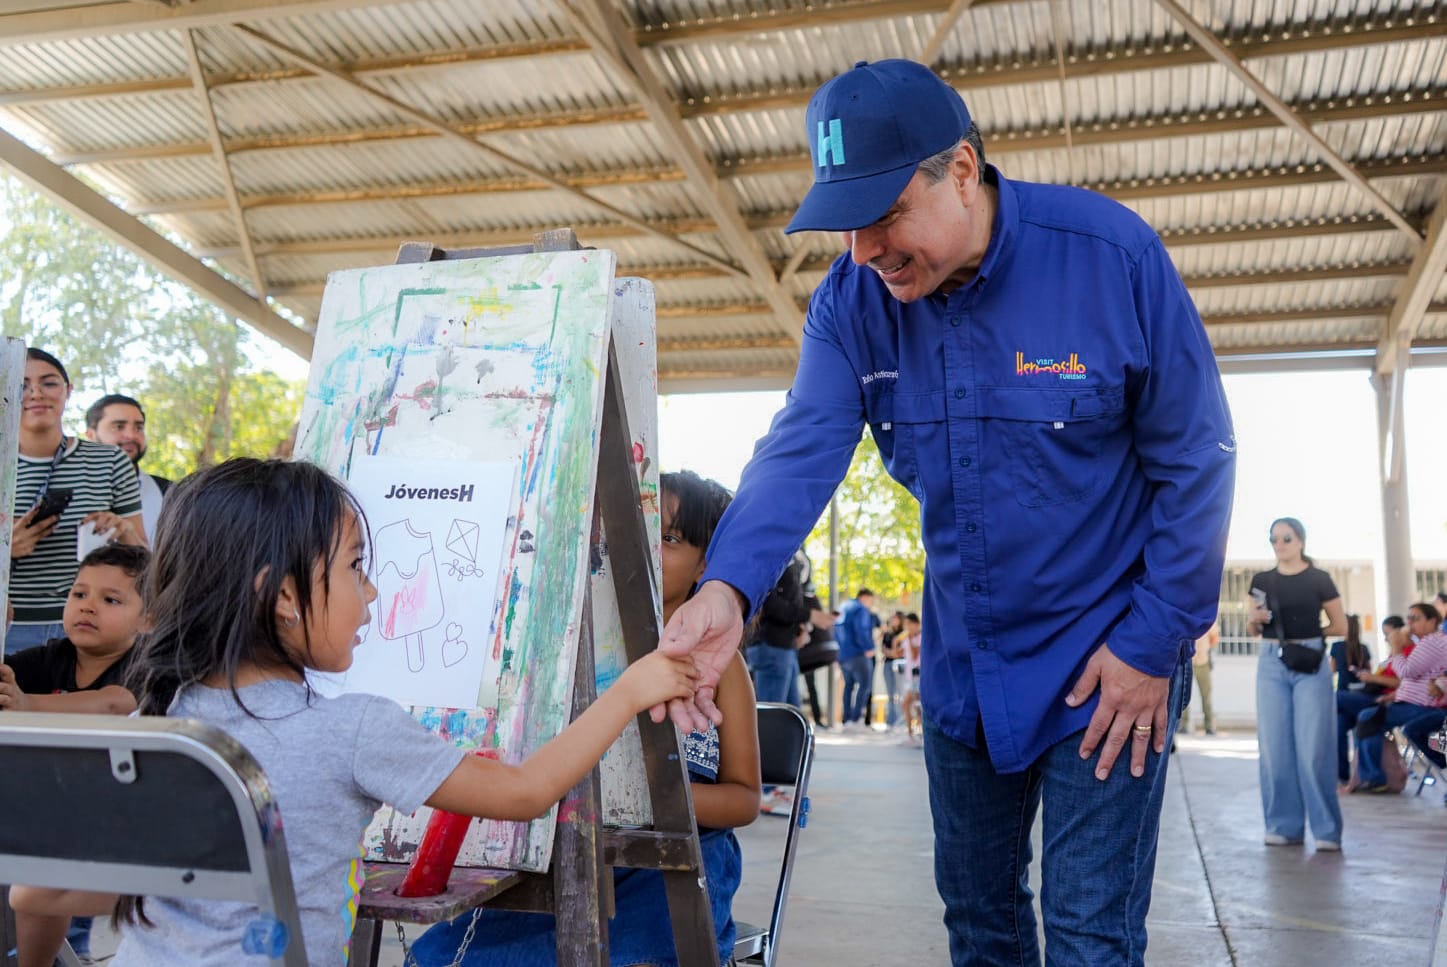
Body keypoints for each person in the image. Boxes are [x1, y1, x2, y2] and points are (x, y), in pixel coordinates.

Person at [656, 59, 1235, 966]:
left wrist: (1153, 642)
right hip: (966, 668)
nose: (865, 250)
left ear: (962, 170)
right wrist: (724, 590)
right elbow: (801, 447)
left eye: (885, 215)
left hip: (1107, 665)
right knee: (979, 922)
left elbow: (1196, 459)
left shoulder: (1110, 259)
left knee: (1087, 937)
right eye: (847, 223)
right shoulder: (851, 303)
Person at [7, 458, 700, 967]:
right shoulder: (351, 730)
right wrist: (628, 690)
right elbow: (524, 792)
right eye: (355, 566)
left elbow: (36, 894)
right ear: (283, 596)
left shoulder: (157, 725)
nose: (371, 593)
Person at [411, 469, 760, 966]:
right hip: (573, 856)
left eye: (670, 539)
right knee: (449, 954)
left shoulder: (723, 668)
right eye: (639, 529)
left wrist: (650, 798)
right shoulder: (573, 645)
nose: (648, 548)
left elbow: (745, 799)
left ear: (707, 564)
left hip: (674, 869)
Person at [6, 349, 147, 658]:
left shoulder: (111, 461)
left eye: (49, 383)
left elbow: (143, 557)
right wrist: (6, 549)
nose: (36, 393)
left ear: (68, 391)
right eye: (21, 385)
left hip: (92, 629)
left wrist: (123, 530)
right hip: (9, 627)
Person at [1248, 517, 1347, 850]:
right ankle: (1283, 825)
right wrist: (1254, 620)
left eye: (1286, 538)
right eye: (1273, 538)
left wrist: (1309, 636)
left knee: (1313, 747)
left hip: (1310, 659)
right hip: (1270, 660)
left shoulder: (1320, 578)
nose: (1279, 544)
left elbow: (1340, 626)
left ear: (1301, 541)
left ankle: (1326, 831)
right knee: (1274, 747)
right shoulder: (1261, 580)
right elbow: (1253, 628)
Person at [0, 543, 148, 715]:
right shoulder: (51, 657)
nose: (87, 606)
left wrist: (26, 703)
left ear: (148, 619)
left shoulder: (150, 663)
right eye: (80, 595)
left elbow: (114, 705)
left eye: (110, 600)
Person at [1351, 603, 1447, 779]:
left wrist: (1396, 646)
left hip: (1422, 707)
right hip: (1413, 703)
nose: (1409, 623)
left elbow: (1405, 672)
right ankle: (1371, 777)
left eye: (1415, 618)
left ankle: (1372, 777)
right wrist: (1393, 695)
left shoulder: (1431, 642)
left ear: (1432, 621)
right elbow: (1414, 681)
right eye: (1408, 618)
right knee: (1364, 717)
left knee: (1365, 716)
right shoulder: (1430, 642)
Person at [85, 393, 173, 545]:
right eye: (119, 427)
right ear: (91, 435)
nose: (131, 435)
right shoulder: (72, 490)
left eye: (139, 427)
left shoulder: (169, 492)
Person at [745, 548, 810, 706]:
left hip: (783, 645)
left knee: (791, 711)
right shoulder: (771, 551)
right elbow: (769, 603)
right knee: (774, 712)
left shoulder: (794, 554)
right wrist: (808, 616)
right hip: (772, 645)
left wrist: (801, 628)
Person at [1331, 613, 1377, 785]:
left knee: (1332, 702)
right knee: (1339, 726)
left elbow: (1332, 670)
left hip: (1343, 698)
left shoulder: (1337, 647)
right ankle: (1355, 775)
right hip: (1361, 698)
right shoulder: (1364, 648)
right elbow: (1370, 673)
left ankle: (1342, 775)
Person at [835, 588, 879, 728]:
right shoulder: (861, 609)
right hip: (858, 653)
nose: (870, 604)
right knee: (865, 685)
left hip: (843, 654)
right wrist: (869, 648)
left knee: (848, 686)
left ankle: (847, 719)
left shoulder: (843, 606)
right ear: (865, 597)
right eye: (871, 601)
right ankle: (856, 719)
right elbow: (862, 629)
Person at [1182, 620, 1219, 735]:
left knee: (1206, 695)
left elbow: (1215, 637)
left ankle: (1209, 726)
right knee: (1184, 695)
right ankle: (1184, 725)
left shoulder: (1208, 618)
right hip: (1188, 661)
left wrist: (1207, 649)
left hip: (1203, 662)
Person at [900, 612, 924, 742]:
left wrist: (909, 639)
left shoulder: (920, 637)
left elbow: (915, 655)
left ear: (916, 624)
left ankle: (915, 735)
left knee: (913, 705)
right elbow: (898, 652)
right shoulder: (906, 638)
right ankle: (912, 734)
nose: (907, 627)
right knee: (913, 706)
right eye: (906, 624)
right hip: (910, 676)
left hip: (918, 676)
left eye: (910, 624)